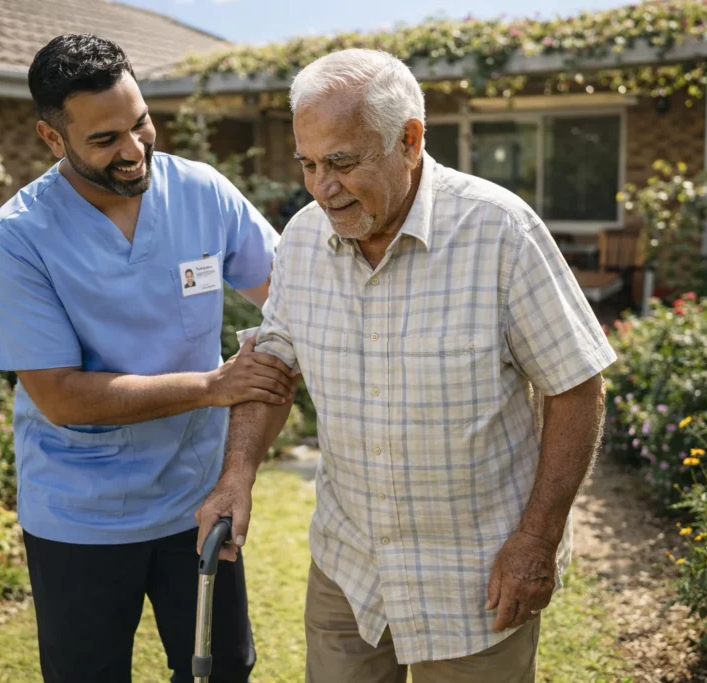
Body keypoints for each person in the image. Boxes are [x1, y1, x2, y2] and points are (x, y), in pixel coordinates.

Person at [196, 48, 616, 683]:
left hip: (478, 578)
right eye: (308, 164)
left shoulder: (500, 230)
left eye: (341, 162)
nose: (321, 188)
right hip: (350, 570)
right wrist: (237, 475)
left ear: (410, 140)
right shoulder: (307, 238)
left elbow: (575, 388)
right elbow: (272, 365)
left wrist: (538, 538)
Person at [0, 33, 296, 683]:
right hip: (80, 517)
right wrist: (213, 385)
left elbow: (295, 295)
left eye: (141, 122)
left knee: (224, 671)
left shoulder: (202, 191)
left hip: (198, 499)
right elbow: (62, 396)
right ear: (51, 137)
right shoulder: (17, 239)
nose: (133, 150)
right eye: (104, 140)